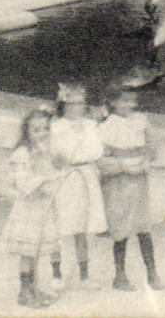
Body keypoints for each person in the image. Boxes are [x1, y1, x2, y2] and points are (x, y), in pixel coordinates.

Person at [98, 88, 164, 291]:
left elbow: (152, 146)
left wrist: (145, 160)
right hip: (117, 178)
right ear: (113, 103)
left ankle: (152, 272)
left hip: (137, 177)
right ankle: (120, 275)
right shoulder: (106, 125)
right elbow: (99, 153)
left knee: (143, 226)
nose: (127, 105)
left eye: (131, 101)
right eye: (122, 101)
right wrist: (116, 165)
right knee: (121, 227)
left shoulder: (141, 121)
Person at [0, 106, 63, 308]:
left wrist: (56, 173)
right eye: (36, 130)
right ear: (26, 132)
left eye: (45, 129)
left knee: (36, 249)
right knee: (28, 250)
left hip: (43, 207)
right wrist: (42, 184)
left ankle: (34, 287)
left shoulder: (45, 150)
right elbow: (22, 182)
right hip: (29, 208)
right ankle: (24, 291)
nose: (42, 133)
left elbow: (53, 171)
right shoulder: (22, 153)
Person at [49, 83, 108, 287]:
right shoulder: (56, 127)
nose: (77, 108)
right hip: (64, 177)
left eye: (80, 104)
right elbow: (52, 154)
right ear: (63, 106)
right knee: (57, 225)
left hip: (85, 176)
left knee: (82, 227)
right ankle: (56, 275)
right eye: (72, 104)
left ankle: (85, 275)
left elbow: (97, 148)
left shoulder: (90, 125)